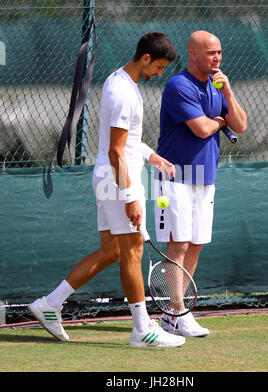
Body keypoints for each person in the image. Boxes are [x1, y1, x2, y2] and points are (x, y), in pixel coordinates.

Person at [28, 32, 185, 348]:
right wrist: (129, 197)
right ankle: (142, 329)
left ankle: (50, 304)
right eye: (159, 66)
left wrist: (151, 156)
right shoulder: (122, 92)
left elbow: (127, 141)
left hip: (112, 176)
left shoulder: (123, 84)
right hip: (118, 179)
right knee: (132, 251)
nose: (160, 73)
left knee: (113, 250)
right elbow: (116, 151)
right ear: (145, 58)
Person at [154, 30, 247, 337]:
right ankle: (176, 312)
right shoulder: (178, 85)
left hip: (205, 179)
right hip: (174, 177)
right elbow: (203, 128)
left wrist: (229, 94)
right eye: (210, 53)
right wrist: (222, 120)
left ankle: (175, 314)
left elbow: (242, 125)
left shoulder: (217, 85)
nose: (217, 58)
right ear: (192, 54)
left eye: (219, 52)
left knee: (194, 244)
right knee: (178, 244)